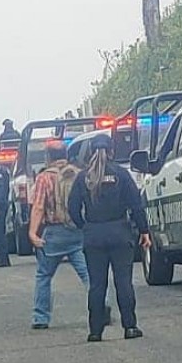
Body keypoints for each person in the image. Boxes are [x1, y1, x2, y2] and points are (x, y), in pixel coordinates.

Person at [68, 134, 151, 342]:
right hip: (120, 233)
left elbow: (72, 208)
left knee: (97, 285)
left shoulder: (83, 178)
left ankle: (95, 331)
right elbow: (136, 205)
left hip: (94, 235)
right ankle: (130, 326)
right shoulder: (121, 175)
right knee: (123, 282)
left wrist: (85, 226)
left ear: (89, 153)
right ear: (112, 151)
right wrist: (144, 231)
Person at [28, 141, 90, 329]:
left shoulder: (43, 178)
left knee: (44, 275)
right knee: (89, 274)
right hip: (77, 230)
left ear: (48, 157)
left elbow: (38, 206)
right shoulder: (78, 174)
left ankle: (41, 318)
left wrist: (32, 232)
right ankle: (101, 307)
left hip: (53, 233)